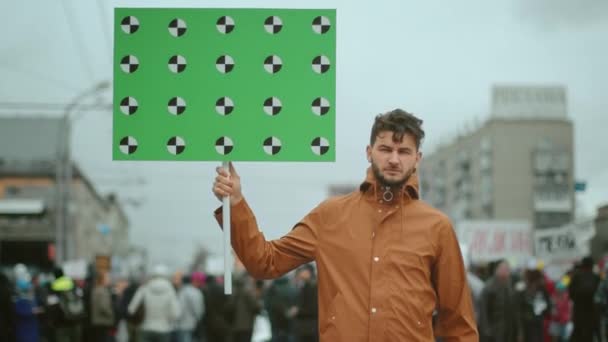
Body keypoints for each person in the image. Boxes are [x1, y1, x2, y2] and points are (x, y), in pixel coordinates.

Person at [212, 108, 478, 341]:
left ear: (417, 158)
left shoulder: (437, 227)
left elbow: (458, 324)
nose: (394, 159)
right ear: (369, 152)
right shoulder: (331, 215)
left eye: (404, 151)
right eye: (385, 149)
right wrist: (235, 203)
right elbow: (265, 261)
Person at [128, 264, 180, 342]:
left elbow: (131, 309)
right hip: (164, 329)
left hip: (145, 327)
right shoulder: (170, 290)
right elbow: (176, 314)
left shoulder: (144, 288)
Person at [478, 260, 519, 342]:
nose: (506, 271)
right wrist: (487, 332)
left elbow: (514, 309)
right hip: (494, 331)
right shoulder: (489, 287)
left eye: (508, 269)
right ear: (497, 270)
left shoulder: (509, 285)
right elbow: (483, 312)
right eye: (504, 269)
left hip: (508, 330)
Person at [175, 275, 204, 342]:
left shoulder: (180, 292)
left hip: (181, 324)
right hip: (192, 322)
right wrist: (198, 319)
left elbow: (179, 308)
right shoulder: (196, 292)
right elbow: (198, 309)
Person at [90, 271, 115, 342]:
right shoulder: (103, 291)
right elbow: (104, 307)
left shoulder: (95, 289)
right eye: (107, 278)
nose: (109, 280)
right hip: (104, 321)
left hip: (97, 321)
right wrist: (111, 314)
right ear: (102, 280)